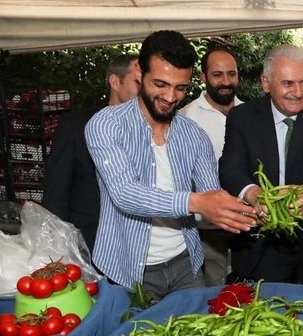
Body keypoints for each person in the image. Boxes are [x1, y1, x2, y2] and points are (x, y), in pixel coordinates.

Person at [84, 30, 257, 299]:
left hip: (186, 265)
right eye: (160, 84)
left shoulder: (194, 135)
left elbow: (211, 196)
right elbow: (125, 194)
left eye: (180, 88)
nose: (170, 97)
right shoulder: (106, 124)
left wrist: (249, 209)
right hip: (129, 269)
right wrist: (196, 202)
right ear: (139, 72)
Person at [219, 44, 303, 287]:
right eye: (288, 83)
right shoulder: (242, 118)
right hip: (261, 245)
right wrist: (256, 196)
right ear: (266, 83)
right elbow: (230, 168)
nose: (298, 92)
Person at [43, 54, 141, 255]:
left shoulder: (152, 127)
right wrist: (61, 246)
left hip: (139, 241)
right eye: (138, 82)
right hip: (90, 241)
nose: (146, 89)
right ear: (115, 81)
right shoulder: (75, 125)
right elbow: (56, 191)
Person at [180, 47, 243, 286]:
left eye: (231, 74)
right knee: (215, 290)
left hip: (247, 221)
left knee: (247, 288)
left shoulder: (249, 113)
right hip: (206, 227)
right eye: (218, 75)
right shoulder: (186, 118)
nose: (226, 82)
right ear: (203, 78)